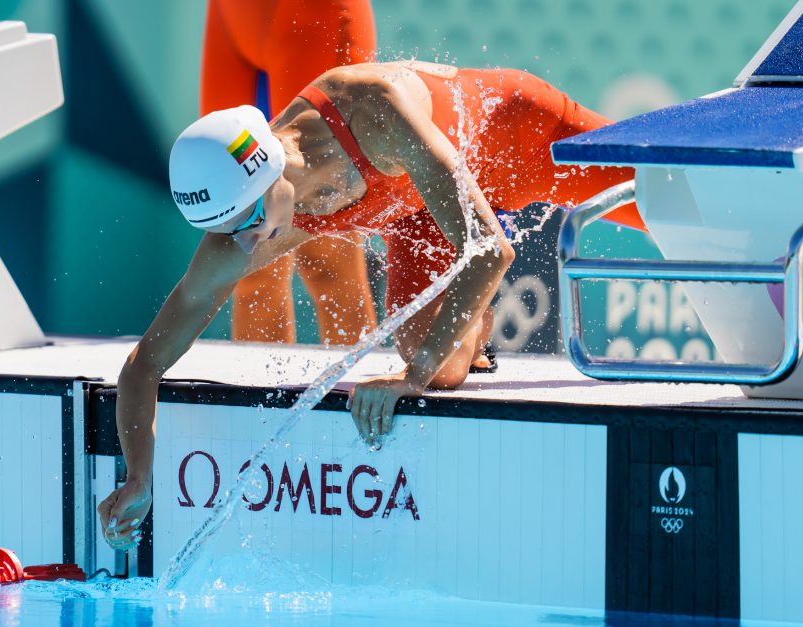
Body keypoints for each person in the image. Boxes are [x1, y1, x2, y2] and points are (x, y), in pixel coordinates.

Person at [98, 60, 644, 549]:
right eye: (222, 230)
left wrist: (411, 375)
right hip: (420, 212)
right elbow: (145, 362)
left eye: (245, 222)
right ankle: (471, 326)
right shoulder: (248, 220)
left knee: (669, 191)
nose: (243, 244)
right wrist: (139, 476)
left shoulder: (369, 112)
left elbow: (488, 248)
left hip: (517, 139)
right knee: (441, 368)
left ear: (271, 174)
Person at [201, 0, 379, 346]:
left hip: (314, 15)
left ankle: (355, 394)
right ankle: (255, 396)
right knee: (246, 252)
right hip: (231, 19)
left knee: (328, 258)